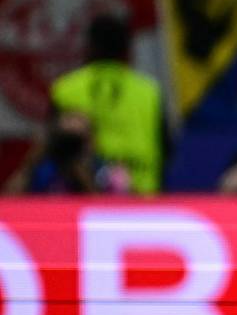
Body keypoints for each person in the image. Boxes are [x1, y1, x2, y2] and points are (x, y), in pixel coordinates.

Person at [47, 14, 166, 195]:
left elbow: (51, 148)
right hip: (142, 199)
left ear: (90, 47)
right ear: (127, 49)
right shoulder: (149, 91)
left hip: (80, 202)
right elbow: (167, 149)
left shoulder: (65, 88)